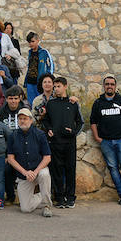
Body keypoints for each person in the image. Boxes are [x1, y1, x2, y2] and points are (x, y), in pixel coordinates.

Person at [90, 75, 121, 205]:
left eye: (112, 84)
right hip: (106, 142)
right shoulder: (98, 103)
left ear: (115, 86)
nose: (109, 86)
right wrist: (97, 137)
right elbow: (93, 121)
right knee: (113, 168)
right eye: (107, 84)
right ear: (104, 86)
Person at [6, 109, 53, 217]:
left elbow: (47, 157)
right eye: (20, 119)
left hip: (38, 170)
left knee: (45, 174)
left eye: (25, 119)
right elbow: (10, 158)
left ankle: (47, 206)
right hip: (24, 175)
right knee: (25, 209)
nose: (22, 121)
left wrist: (35, 172)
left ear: (31, 120)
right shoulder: (12, 136)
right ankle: (44, 194)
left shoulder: (40, 134)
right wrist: (25, 172)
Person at [44, 77, 83, 208]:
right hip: (55, 142)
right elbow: (46, 120)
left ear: (65, 86)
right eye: (55, 87)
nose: (56, 89)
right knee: (57, 171)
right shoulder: (51, 103)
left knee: (70, 170)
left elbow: (80, 122)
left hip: (69, 143)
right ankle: (59, 198)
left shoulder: (73, 103)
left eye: (58, 86)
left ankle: (71, 198)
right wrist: (49, 129)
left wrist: (73, 132)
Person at [24, 32, 55, 103]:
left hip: (40, 82)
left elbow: (51, 66)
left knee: (41, 101)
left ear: (38, 41)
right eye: (29, 42)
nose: (31, 44)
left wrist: (48, 78)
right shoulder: (30, 52)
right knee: (31, 103)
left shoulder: (44, 52)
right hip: (30, 82)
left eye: (32, 41)